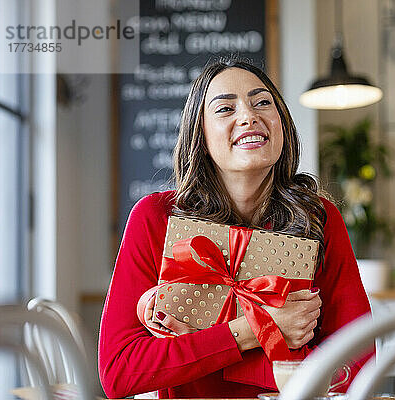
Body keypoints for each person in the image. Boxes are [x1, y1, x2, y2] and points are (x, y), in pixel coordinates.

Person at [98, 58, 372, 399]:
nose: (248, 116)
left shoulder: (319, 218)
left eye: (262, 103)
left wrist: (204, 346)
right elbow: (120, 372)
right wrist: (261, 330)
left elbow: (356, 368)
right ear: (201, 136)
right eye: (225, 108)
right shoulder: (156, 217)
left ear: (282, 124)